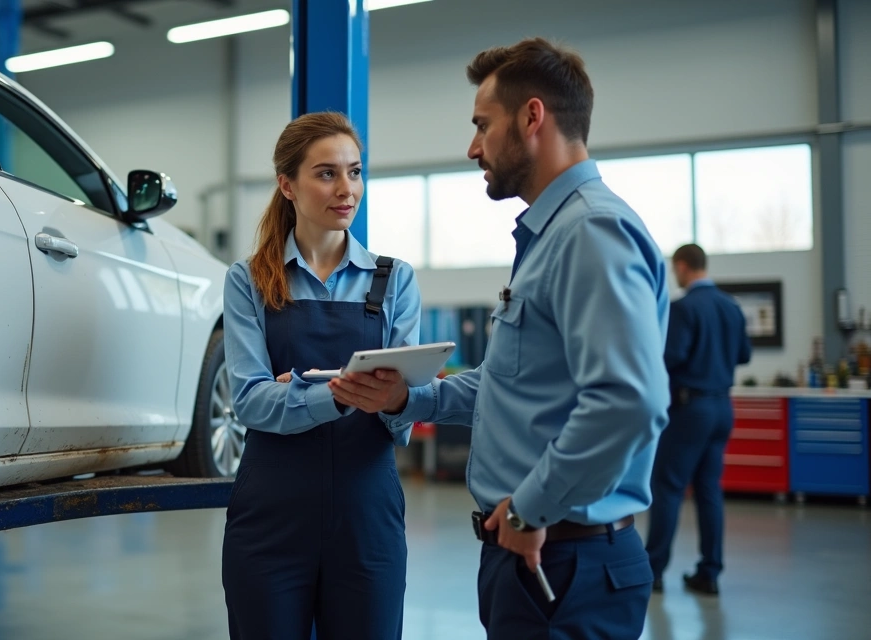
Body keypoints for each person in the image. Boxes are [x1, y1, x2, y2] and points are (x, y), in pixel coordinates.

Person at [331, 37, 671, 638]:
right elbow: (514, 384)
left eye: (482, 125)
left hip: (563, 562)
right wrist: (408, 398)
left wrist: (532, 503)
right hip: (537, 556)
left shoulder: (590, 233)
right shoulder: (554, 234)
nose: (472, 147)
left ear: (532, 116)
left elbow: (628, 402)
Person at [220, 111, 423, 640]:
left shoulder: (395, 280)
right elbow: (249, 399)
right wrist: (343, 394)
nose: (346, 189)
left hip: (367, 516)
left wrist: (303, 387)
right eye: (326, 173)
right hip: (271, 518)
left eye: (355, 172)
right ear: (288, 184)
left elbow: (404, 408)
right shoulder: (249, 281)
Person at [645, 243, 752, 595]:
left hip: (691, 410)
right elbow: (743, 355)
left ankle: (654, 571)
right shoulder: (731, 307)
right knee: (709, 491)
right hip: (723, 407)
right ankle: (710, 572)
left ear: (683, 266)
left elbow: (671, 357)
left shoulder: (684, 307)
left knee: (669, 487)